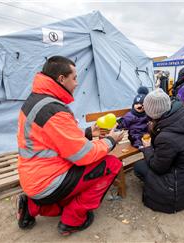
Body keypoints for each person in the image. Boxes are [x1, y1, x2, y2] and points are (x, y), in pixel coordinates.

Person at [16, 56, 125, 236]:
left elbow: (54, 137)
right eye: (74, 78)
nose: (76, 84)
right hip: (47, 182)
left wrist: (89, 133)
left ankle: (30, 206)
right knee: (111, 164)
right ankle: (72, 220)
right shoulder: (54, 110)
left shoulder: (36, 101)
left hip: (32, 177)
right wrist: (110, 141)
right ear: (61, 79)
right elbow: (83, 155)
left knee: (80, 175)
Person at [133, 88, 184, 213]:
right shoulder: (182, 117)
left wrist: (147, 148)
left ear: (152, 114)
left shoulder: (166, 137)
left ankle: (157, 189)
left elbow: (158, 167)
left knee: (139, 166)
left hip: (178, 189)